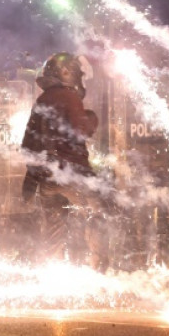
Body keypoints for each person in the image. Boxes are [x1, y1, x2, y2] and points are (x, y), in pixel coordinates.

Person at [20, 52, 106, 269]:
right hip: (72, 174)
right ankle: (99, 268)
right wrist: (91, 119)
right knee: (99, 210)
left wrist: (33, 177)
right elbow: (80, 131)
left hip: (47, 179)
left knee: (54, 224)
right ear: (68, 73)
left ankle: (53, 269)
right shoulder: (70, 97)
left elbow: (27, 146)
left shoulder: (41, 100)